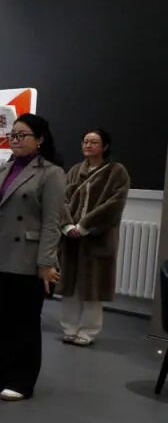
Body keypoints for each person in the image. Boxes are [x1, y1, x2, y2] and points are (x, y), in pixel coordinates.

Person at [0, 113, 65, 401]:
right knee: (1, 320)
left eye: (22, 135)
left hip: (27, 256)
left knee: (25, 322)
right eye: (13, 135)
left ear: (40, 139)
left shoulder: (51, 173)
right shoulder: (4, 169)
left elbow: (52, 223)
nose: (16, 140)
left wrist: (46, 262)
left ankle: (22, 380)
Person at [58, 129, 130, 346]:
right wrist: (67, 225)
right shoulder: (74, 171)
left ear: (105, 146)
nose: (88, 145)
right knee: (70, 285)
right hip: (71, 238)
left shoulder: (116, 172)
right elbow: (62, 199)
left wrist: (85, 225)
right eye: (85, 141)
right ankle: (69, 328)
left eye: (94, 142)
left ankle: (88, 331)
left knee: (93, 287)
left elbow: (114, 204)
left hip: (98, 238)